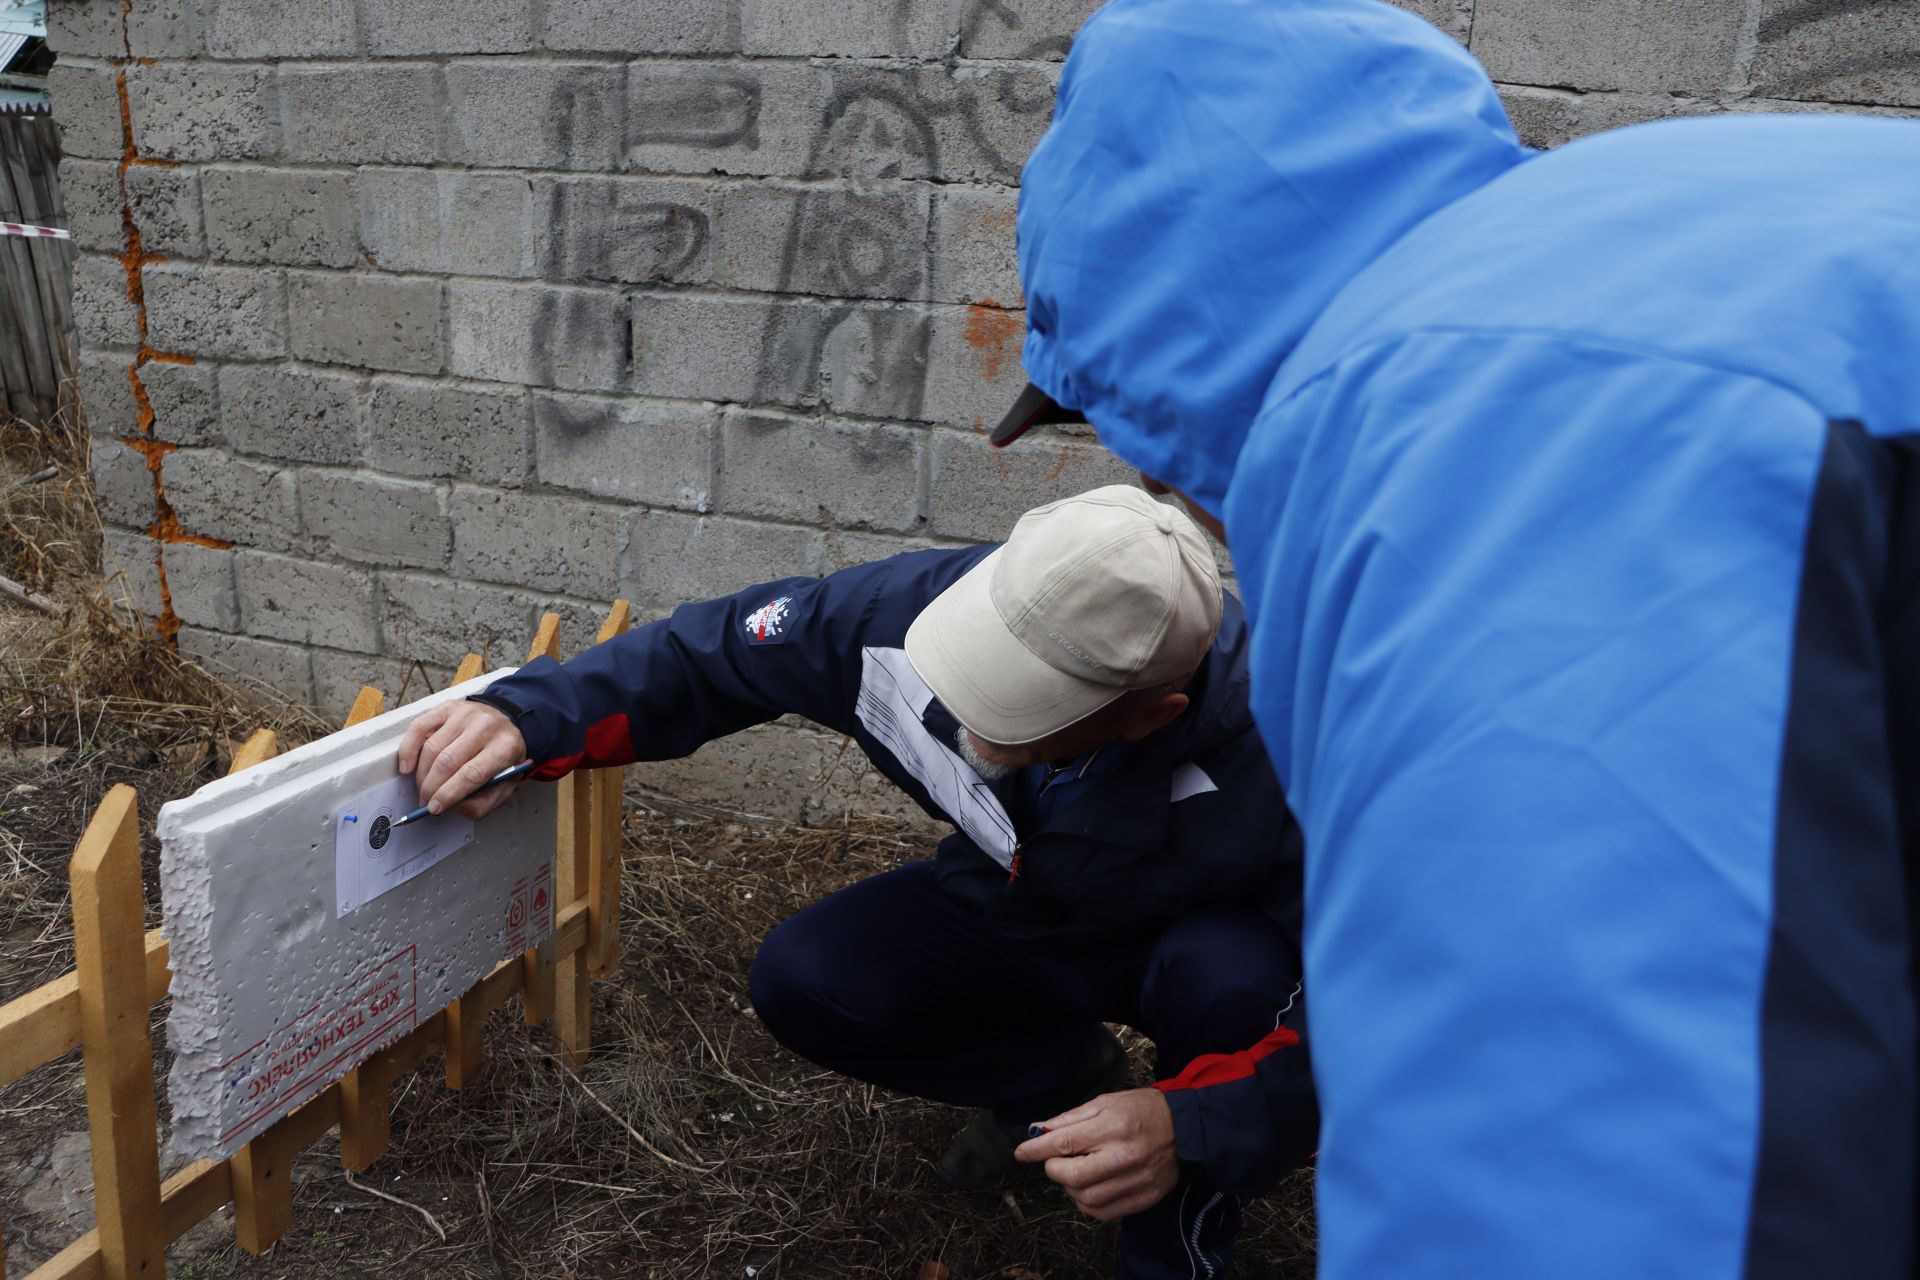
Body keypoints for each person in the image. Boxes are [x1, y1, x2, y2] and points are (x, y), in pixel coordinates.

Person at [991, 0, 1920, 1277]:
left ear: (1177, 342)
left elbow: (1590, 1135)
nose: (1158, 489)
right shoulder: (1637, 224)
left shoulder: (1464, 418)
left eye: (1124, 426)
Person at [398, 485, 1317, 1278]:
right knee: (811, 976)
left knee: (1230, 980)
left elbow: (1390, 1023)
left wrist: (1192, 1122)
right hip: (1024, 898)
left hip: (1196, 944)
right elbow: (709, 655)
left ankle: (1173, 1235)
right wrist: (533, 715)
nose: (966, 720)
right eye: (977, 672)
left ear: (1155, 714)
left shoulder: (1303, 752)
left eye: (1025, 711)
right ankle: (1064, 1082)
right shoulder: (908, 614)